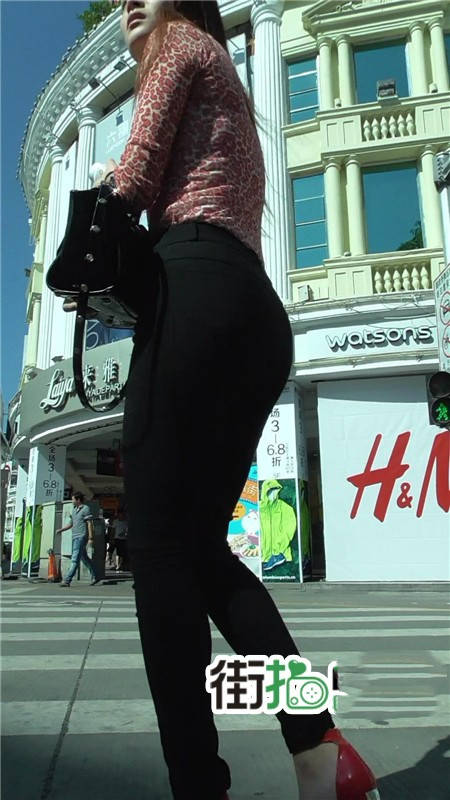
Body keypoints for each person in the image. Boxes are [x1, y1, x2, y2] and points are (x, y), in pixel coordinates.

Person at [87, 2, 379, 799]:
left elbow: (135, 177)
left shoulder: (180, 44)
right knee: (198, 550)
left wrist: (101, 199)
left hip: (195, 294)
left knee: (157, 550)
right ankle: (319, 746)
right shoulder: (226, 79)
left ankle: (198, 787)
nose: (130, 4)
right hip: (251, 312)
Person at [56, 492, 100, 587]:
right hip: (75, 536)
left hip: (81, 536)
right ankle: (95, 576)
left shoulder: (85, 509)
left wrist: (90, 538)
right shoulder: (74, 510)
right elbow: (71, 523)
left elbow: (89, 523)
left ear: (78, 500)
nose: (72, 501)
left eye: (73, 499)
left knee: (75, 559)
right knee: (85, 558)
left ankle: (67, 580)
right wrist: (61, 530)